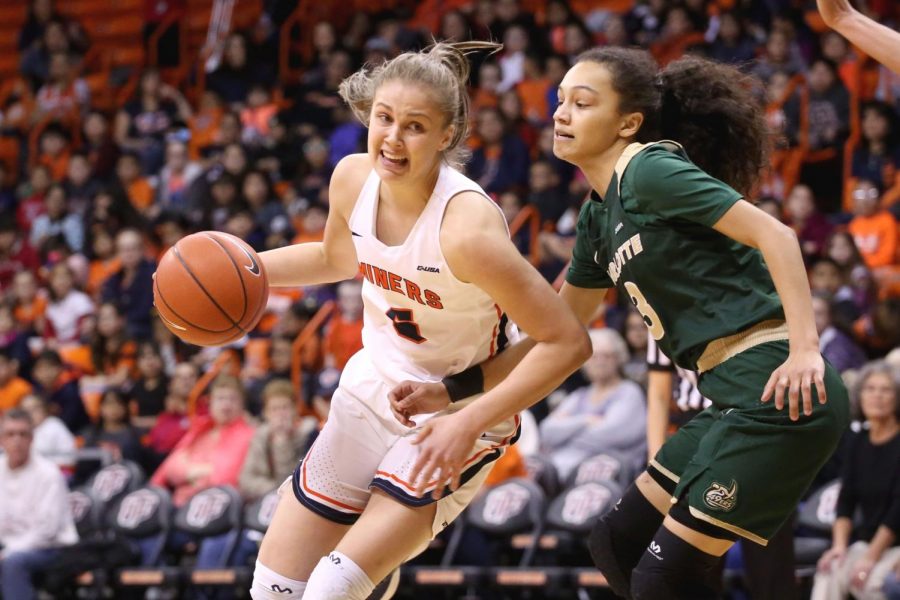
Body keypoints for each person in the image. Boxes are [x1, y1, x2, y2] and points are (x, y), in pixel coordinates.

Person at [389, 47, 850, 599]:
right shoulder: (595, 217)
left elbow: (778, 236)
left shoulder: (651, 168)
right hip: (729, 399)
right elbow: (552, 336)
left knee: (663, 575)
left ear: (628, 123)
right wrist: (452, 392)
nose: (560, 113)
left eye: (582, 103)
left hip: (778, 390)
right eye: (559, 101)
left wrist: (805, 349)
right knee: (617, 543)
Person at [251, 41, 589, 600]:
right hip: (373, 390)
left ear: (447, 136)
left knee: (332, 589)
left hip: (461, 414)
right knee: (273, 592)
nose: (392, 138)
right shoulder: (352, 179)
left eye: (414, 126)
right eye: (384, 118)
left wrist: (462, 410)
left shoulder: (467, 230)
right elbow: (336, 258)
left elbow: (566, 342)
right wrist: (245, 270)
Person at [646, 333, 799, 600]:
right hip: (697, 426)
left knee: (768, 551)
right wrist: (656, 462)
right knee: (696, 556)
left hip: (757, 423)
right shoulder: (657, 302)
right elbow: (659, 394)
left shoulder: (755, 298)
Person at [812, 363, 900, 600]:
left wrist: (870, 559)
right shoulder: (856, 442)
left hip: (894, 547)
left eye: (886, 390)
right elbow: (846, 500)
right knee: (829, 569)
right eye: (870, 389)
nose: (877, 396)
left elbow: (897, 513)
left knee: (871, 584)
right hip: (865, 543)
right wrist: (839, 547)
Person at [539, 327, 646, 480]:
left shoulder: (628, 392)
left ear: (619, 358)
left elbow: (611, 434)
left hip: (607, 476)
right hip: (561, 471)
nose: (600, 362)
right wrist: (586, 420)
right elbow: (547, 431)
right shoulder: (579, 395)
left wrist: (564, 434)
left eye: (607, 356)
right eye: (594, 357)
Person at [0, 408, 78, 600]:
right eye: (10, 434)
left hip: (50, 548)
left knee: (14, 563)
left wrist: (8, 552)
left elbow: (47, 531)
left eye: (23, 434)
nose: (16, 440)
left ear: (32, 438)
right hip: (8, 545)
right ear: (1, 439)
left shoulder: (48, 473)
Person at [817, 0, 900, 75]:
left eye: (834, 43)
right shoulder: (849, 66)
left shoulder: (859, 49)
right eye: (830, 45)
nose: (834, 47)